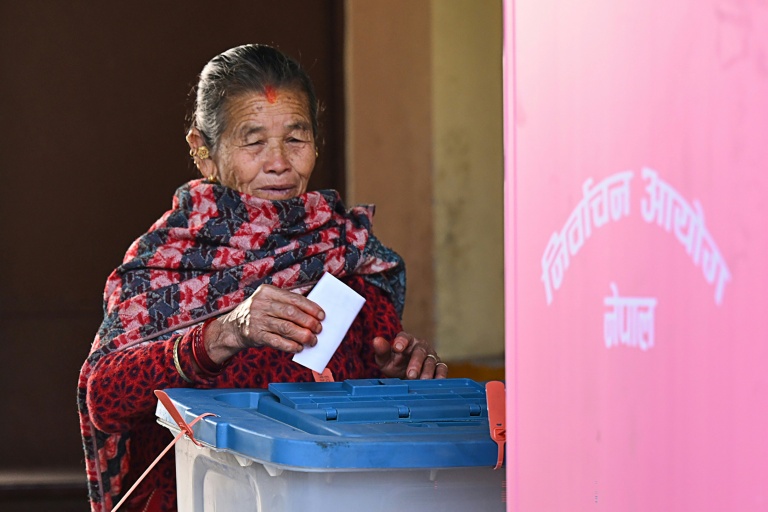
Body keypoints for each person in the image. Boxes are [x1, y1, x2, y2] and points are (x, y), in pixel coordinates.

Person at [77, 44, 448, 512]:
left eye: (296, 139)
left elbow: (363, 409)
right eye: (253, 141)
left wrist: (399, 378)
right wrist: (222, 334)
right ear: (203, 152)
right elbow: (103, 397)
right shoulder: (168, 262)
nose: (279, 162)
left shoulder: (345, 252)